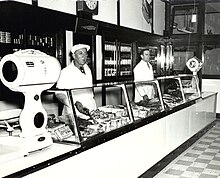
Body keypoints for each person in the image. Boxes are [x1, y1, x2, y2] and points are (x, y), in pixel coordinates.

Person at [56, 44, 97, 119]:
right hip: (74, 111)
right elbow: (59, 93)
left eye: (85, 53)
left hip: (91, 109)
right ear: (74, 56)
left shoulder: (87, 69)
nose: (84, 56)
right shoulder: (65, 72)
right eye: (80, 53)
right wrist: (73, 103)